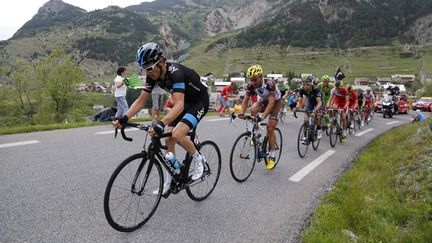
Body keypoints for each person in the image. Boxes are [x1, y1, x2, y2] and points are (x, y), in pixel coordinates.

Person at [113, 43, 209, 195]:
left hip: (199, 101)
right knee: (168, 139)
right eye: (145, 69)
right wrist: (124, 117)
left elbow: (178, 104)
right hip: (183, 102)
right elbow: (141, 101)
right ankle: (170, 180)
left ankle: (199, 160)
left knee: (177, 134)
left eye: (150, 68)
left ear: (162, 62)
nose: (148, 72)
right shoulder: (152, 76)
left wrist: (161, 122)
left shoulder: (175, 72)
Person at [238, 64, 282, 170]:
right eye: (251, 80)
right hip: (265, 101)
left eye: (255, 79)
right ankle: (256, 135)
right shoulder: (251, 85)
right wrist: (241, 112)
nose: (253, 82)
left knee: (270, 128)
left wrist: (262, 116)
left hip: (275, 102)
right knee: (253, 109)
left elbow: (271, 103)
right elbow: (245, 100)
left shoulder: (269, 83)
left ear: (261, 77)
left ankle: (272, 156)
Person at [296, 76, 323, 141]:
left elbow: (319, 103)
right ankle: (305, 136)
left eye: (307, 84)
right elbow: (300, 101)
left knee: (316, 115)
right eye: (304, 84)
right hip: (310, 102)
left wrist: (315, 110)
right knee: (305, 119)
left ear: (311, 84)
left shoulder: (316, 90)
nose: (306, 86)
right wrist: (297, 107)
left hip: (318, 102)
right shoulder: (302, 90)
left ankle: (319, 130)